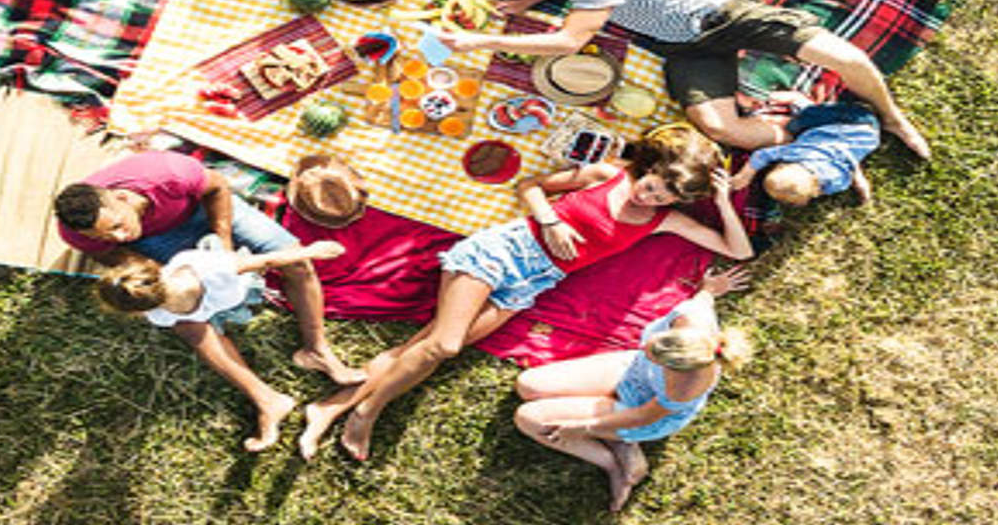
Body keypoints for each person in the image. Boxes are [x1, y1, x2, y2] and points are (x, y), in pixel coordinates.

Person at [298, 125, 754, 462]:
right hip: (503, 251)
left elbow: (739, 249)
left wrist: (718, 204)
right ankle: (367, 414)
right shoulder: (604, 174)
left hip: (534, 281)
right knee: (445, 344)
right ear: (648, 167)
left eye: (666, 196)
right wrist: (551, 220)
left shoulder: (663, 220)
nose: (651, 197)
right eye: (654, 184)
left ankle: (329, 408)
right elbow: (529, 186)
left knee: (421, 345)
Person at [434, 0, 929, 159]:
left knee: (848, 58)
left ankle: (891, 116)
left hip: (724, 14)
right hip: (683, 46)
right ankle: (818, 128)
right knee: (723, 130)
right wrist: (523, 4)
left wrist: (476, 45)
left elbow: (567, 42)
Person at [54, 150, 363, 386]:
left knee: (297, 260)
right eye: (104, 235)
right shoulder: (75, 232)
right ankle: (264, 397)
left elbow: (217, 189)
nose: (120, 236)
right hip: (158, 243)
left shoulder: (165, 173)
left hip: (202, 211)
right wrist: (174, 277)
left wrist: (223, 246)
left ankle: (316, 349)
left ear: (121, 197)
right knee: (182, 316)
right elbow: (120, 257)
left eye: (118, 225)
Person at [512, 264, 752, 512]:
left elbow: (642, 416)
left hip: (641, 412)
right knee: (528, 385)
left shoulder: (686, 386)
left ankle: (611, 463)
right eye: (652, 345)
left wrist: (582, 428)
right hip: (633, 371)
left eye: (654, 357)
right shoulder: (691, 316)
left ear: (676, 369)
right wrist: (710, 290)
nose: (645, 347)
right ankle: (617, 441)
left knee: (529, 418)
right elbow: (702, 300)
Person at [96, 237, 347, 451]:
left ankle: (270, 398)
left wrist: (310, 252)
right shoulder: (163, 313)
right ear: (151, 268)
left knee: (192, 326)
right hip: (222, 304)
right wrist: (312, 251)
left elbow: (264, 262)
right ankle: (268, 400)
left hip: (241, 288)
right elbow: (267, 261)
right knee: (192, 333)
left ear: (137, 312)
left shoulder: (205, 269)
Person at [730, 98, 880, 205]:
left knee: (794, 127)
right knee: (794, 126)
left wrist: (860, 183)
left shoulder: (836, 182)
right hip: (851, 120)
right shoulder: (794, 152)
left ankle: (801, 102)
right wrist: (746, 175)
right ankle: (800, 103)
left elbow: (850, 167)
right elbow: (761, 155)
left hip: (869, 133)